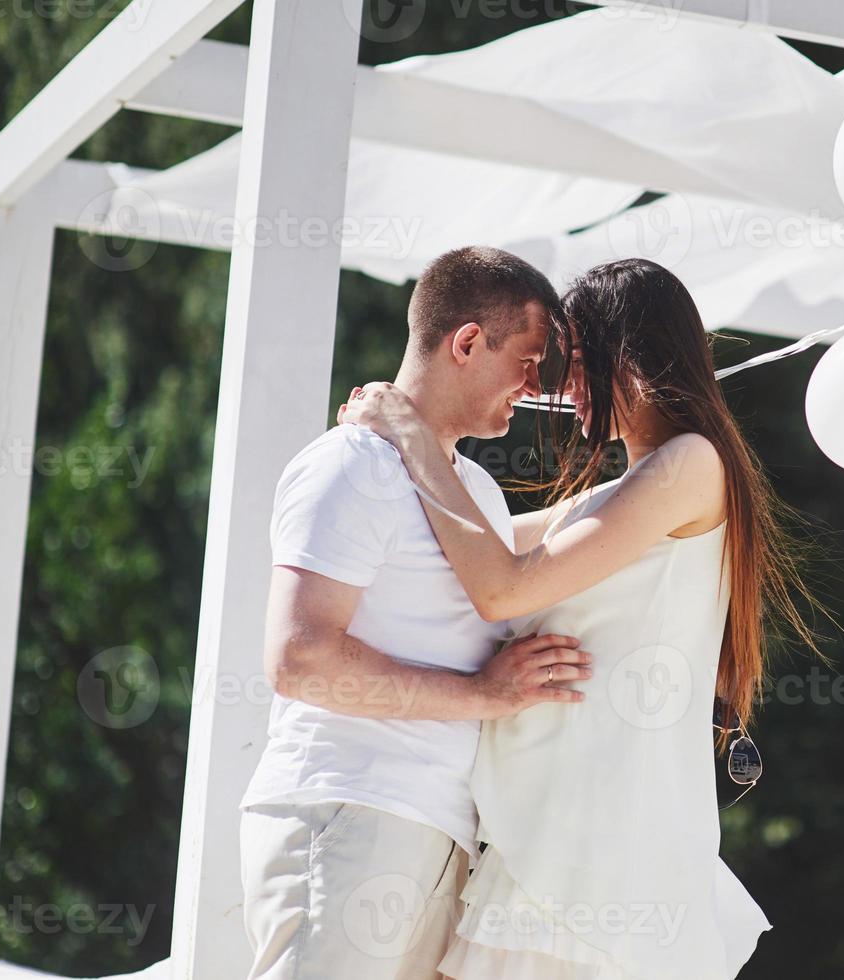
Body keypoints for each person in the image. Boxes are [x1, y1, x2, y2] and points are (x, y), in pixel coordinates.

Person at [340, 257, 823, 980]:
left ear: (623, 358)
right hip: (556, 828)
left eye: (572, 359)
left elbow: (500, 587)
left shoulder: (688, 466)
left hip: (596, 839)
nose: (557, 386)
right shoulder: (627, 490)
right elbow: (478, 544)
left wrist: (410, 433)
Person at [238, 246, 594, 980]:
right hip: (349, 810)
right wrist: (484, 695)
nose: (534, 388)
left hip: (432, 831)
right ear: (466, 342)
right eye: (527, 360)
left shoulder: (477, 494)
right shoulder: (352, 463)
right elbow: (298, 659)